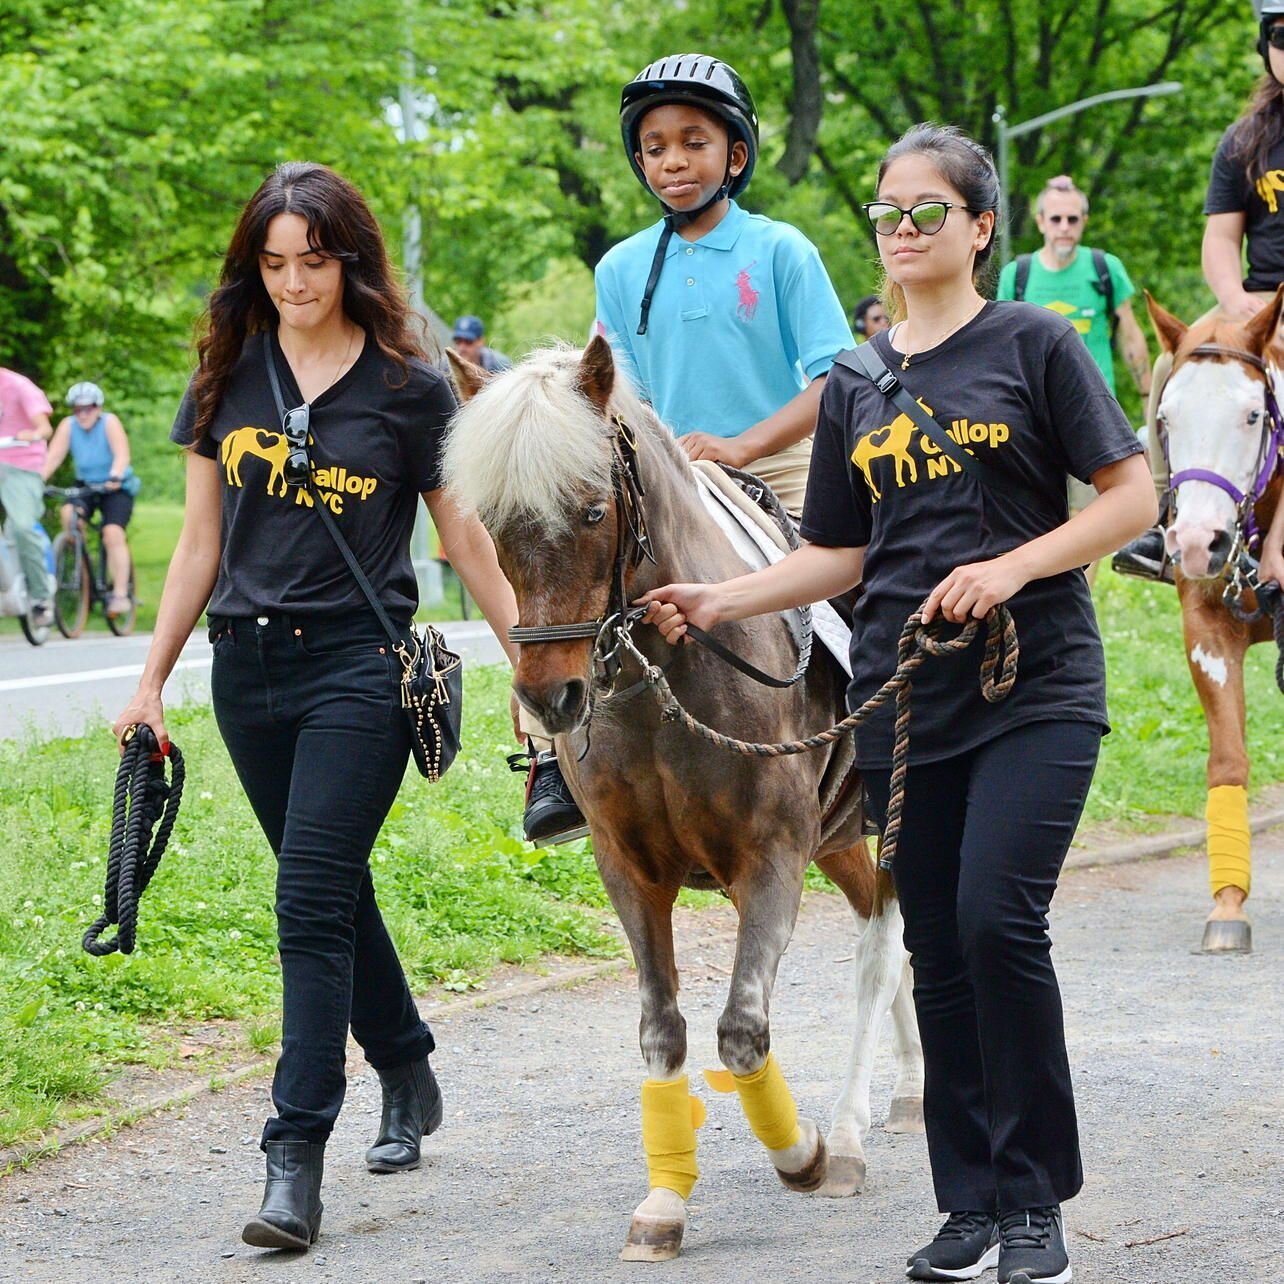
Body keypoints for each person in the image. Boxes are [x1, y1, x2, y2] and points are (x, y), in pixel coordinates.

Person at [638, 124, 1155, 1284]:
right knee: (938, 941)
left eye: (930, 211)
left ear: (981, 229)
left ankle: (1034, 1205)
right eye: (887, 212)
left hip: (1036, 681)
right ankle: (968, 1207)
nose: (904, 230)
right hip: (904, 702)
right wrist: (721, 599)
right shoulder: (861, 382)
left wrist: (1016, 564)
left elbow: (1130, 497)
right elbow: (837, 552)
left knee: (995, 922)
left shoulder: (1033, 344)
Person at [111, 162, 520, 1254]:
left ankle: (293, 1156)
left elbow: (462, 533)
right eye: (274, 263)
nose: (294, 282)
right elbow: (199, 541)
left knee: (305, 900)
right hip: (247, 673)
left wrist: (530, 659)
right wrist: (152, 677)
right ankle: (407, 1063)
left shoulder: (407, 386)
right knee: (329, 886)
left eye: (314, 261)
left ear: (351, 259)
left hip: (359, 668)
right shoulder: (225, 376)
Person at [519, 52, 853, 845]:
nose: (673, 160)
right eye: (656, 146)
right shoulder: (621, 266)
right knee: (569, 594)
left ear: (735, 154)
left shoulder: (781, 252)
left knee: (845, 597)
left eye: (694, 141)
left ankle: (877, 741)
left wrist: (742, 445)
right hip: (668, 476)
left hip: (778, 464)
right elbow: (613, 395)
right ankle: (549, 764)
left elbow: (833, 380)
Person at [1117, 0, 1284, 578]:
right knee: (1173, 366)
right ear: (1266, 46)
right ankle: (1158, 514)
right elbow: (1220, 240)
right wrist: (1235, 298)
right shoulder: (1246, 140)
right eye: (1282, 35)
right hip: (1259, 302)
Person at [997, 175, 1152, 535]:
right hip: (1031, 411)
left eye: (1073, 219)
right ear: (1040, 222)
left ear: (1084, 221)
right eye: (1055, 219)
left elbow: (1130, 333)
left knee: (1095, 510)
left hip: (1090, 408)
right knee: (1036, 510)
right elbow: (1002, 342)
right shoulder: (1018, 275)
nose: (1064, 227)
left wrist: (1146, 394)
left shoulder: (1104, 268)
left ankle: (1084, 590)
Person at [43, 382, 137, 615]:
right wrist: (36, 479)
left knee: (112, 533)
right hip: (85, 485)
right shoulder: (68, 426)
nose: (83, 413)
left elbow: (122, 455)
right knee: (68, 516)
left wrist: (115, 474)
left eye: (89, 408)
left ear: (98, 408)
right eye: (78, 409)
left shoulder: (109, 422)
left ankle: (121, 594)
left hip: (114, 486)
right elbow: (53, 457)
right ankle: (81, 565)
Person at [0, 366, 54, 625]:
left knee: (21, 527)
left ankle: (41, 597)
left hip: (21, 465)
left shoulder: (19, 386)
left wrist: (30, 435)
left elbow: (44, 428)